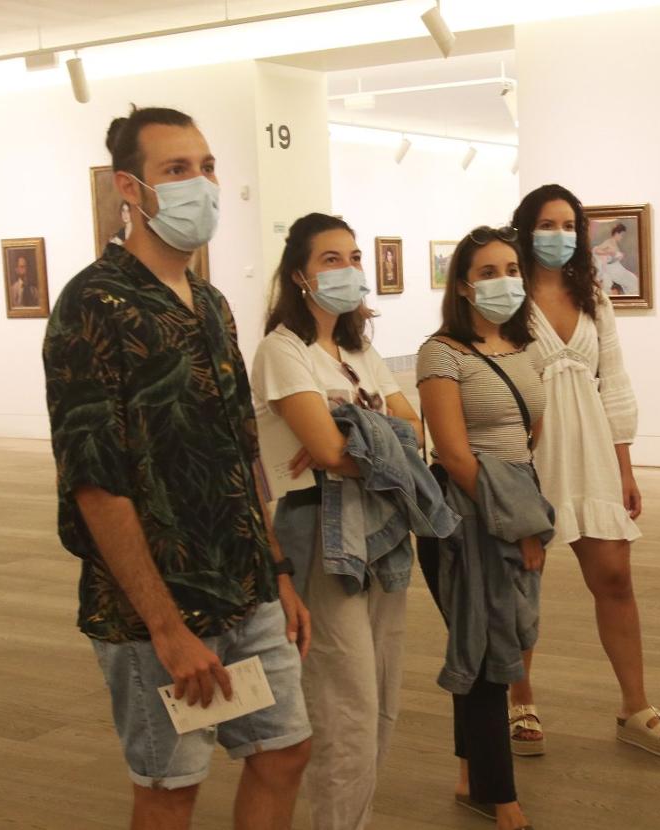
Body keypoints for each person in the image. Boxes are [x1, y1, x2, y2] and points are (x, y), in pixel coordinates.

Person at [42, 105, 313, 830]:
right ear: (131, 188)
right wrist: (165, 627)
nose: (202, 184)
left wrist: (277, 571)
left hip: (243, 584)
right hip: (152, 609)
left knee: (285, 750)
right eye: (177, 170)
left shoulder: (214, 305)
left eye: (207, 166)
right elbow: (95, 480)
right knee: (170, 789)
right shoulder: (90, 305)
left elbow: (240, 449)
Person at [250, 212, 423, 830]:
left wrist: (354, 428)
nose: (348, 269)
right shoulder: (281, 350)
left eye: (353, 258)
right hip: (319, 530)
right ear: (298, 275)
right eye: (331, 259)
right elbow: (326, 454)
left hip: (382, 528)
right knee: (344, 702)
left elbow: (415, 431)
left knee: (382, 697)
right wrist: (368, 434)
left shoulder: (357, 350)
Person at [507, 183, 660, 759]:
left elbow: (616, 381)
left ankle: (634, 704)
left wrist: (624, 466)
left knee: (614, 578)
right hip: (528, 455)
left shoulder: (595, 298)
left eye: (567, 225)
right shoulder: (504, 296)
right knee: (520, 583)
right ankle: (520, 701)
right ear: (525, 228)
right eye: (546, 224)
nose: (557, 236)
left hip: (591, 452)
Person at [417, 225, 550, 830]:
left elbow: (530, 436)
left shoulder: (527, 347)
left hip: (517, 504)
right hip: (465, 520)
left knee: (490, 640)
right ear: (465, 286)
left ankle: (470, 772)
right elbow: (453, 454)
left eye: (511, 269)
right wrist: (518, 526)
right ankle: (503, 799)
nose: (504, 282)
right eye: (489, 272)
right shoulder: (441, 352)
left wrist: (530, 508)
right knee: (491, 652)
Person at [591, 222, 639, 295]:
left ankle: (632, 296)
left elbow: (613, 258)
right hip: (612, 269)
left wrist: (618, 256)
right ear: (616, 233)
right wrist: (609, 252)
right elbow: (597, 251)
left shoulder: (615, 243)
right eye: (621, 235)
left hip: (617, 267)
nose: (622, 237)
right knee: (631, 280)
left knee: (633, 279)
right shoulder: (608, 241)